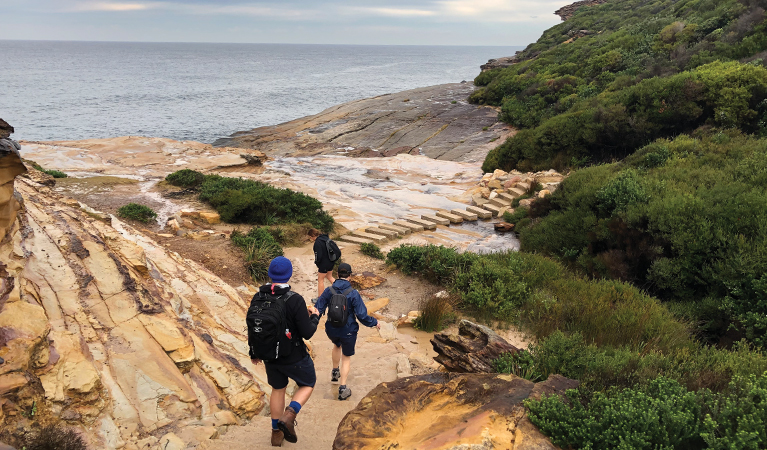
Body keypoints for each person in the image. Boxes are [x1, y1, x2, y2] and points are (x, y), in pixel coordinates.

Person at [249, 256, 319, 447]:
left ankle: (275, 434)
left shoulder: (258, 296)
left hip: (270, 356)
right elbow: (307, 333)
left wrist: (254, 352)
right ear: (289, 275)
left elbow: (254, 325)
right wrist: (315, 317)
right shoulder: (294, 299)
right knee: (308, 383)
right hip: (293, 355)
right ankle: (290, 414)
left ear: (270, 275)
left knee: (277, 390)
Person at [315, 263, 380, 400]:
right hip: (348, 330)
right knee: (346, 357)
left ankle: (334, 372)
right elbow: (362, 316)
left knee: (336, 345)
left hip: (331, 329)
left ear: (337, 274)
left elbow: (318, 309)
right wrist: (375, 322)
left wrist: (310, 322)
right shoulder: (354, 294)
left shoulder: (328, 290)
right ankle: (343, 388)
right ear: (350, 276)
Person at [310, 229, 336, 299]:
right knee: (330, 277)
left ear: (313, 236)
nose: (311, 239)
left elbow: (319, 256)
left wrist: (317, 263)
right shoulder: (326, 238)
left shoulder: (317, 242)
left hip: (324, 264)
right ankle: (341, 291)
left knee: (320, 280)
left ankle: (320, 298)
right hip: (331, 261)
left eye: (310, 237)